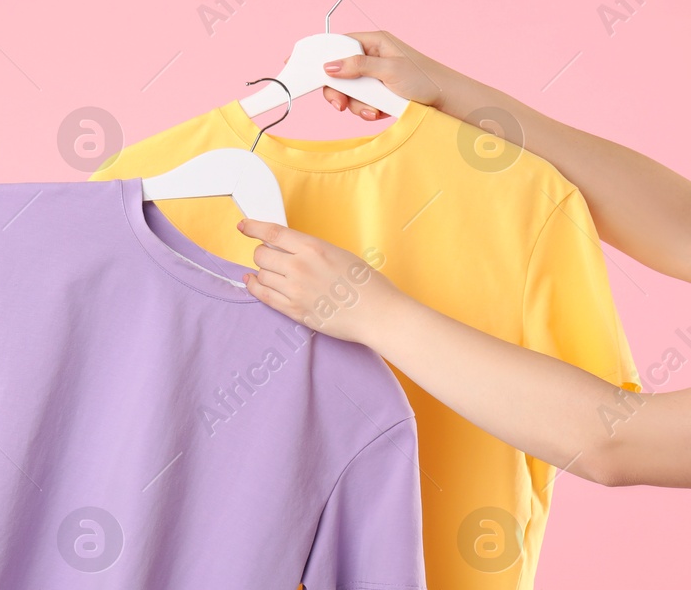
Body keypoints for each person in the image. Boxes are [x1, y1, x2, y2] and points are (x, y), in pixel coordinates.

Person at [238, 31, 691, 488]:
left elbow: (616, 441)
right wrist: (448, 93)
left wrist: (371, 313)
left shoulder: (526, 210)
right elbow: (683, 227)